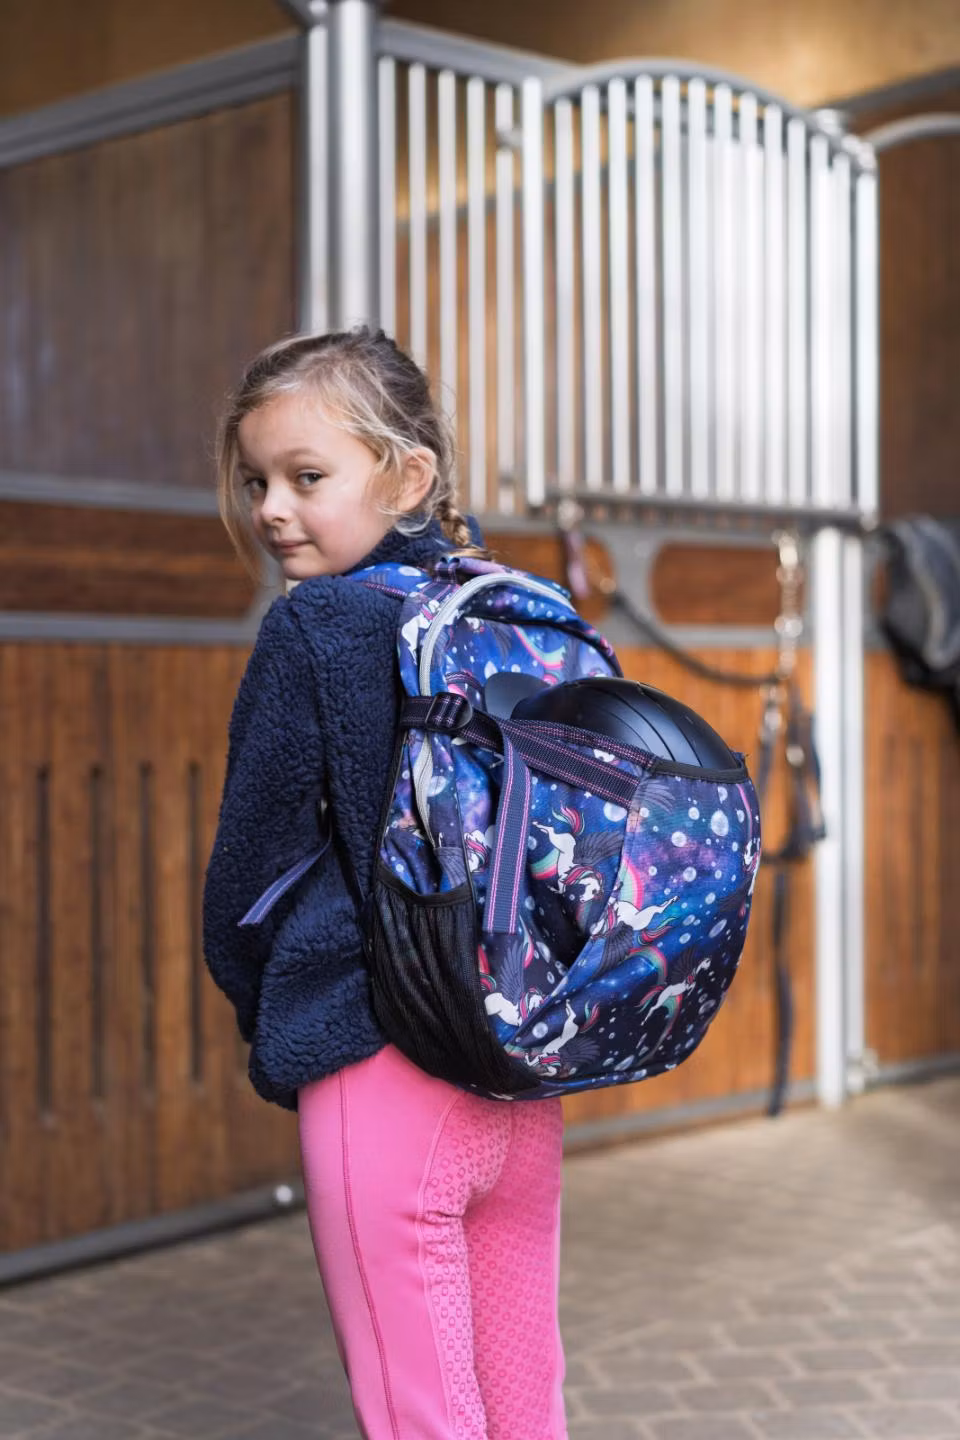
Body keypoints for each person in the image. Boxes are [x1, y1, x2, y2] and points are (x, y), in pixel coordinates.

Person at [203, 328, 567, 1440]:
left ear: (407, 477)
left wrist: (273, 1006)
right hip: (518, 1060)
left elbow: (249, 871)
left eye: (307, 477)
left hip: (375, 1053)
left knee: (421, 1412)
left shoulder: (317, 623)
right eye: (257, 481)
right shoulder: (512, 603)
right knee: (523, 1395)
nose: (273, 509)